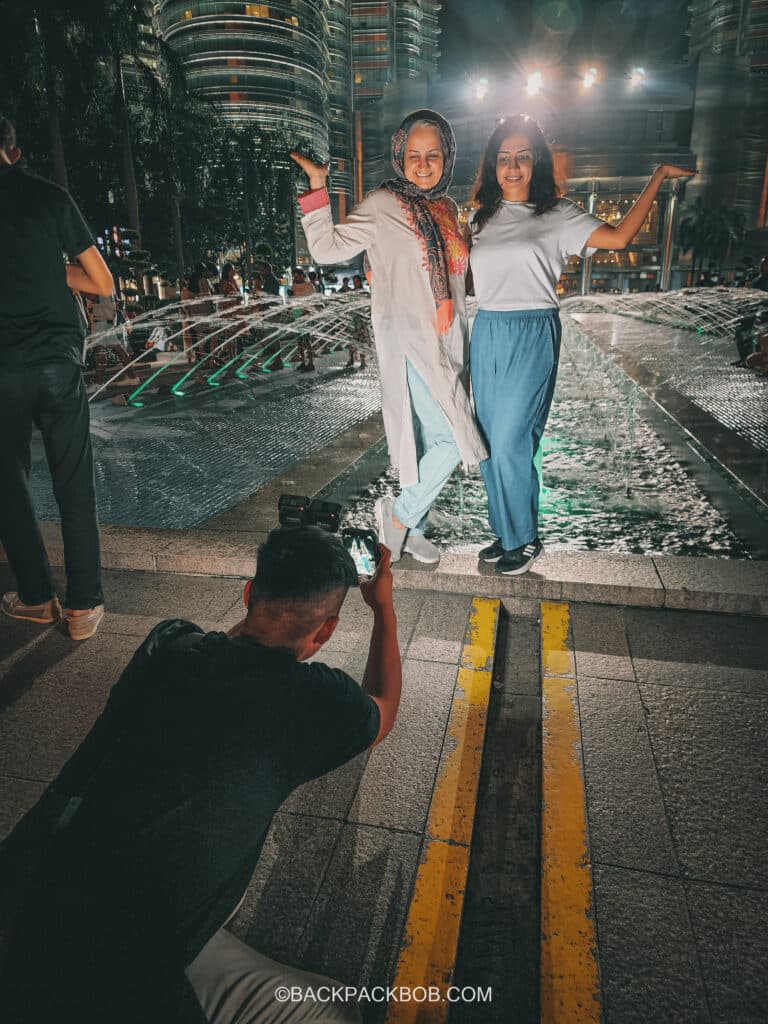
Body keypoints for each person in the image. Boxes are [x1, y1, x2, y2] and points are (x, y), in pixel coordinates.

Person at [0, 526, 401, 1024]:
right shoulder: (315, 701)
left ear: (249, 593)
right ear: (327, 631)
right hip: (113, 980)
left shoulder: (167, 643)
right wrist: (382, 606)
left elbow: (221, 648)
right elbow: (383, 709)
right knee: (341, 1010)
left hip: (28, 888)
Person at [468, 113, 695, 575]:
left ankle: (525, 538)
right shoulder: (480, 218)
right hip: (487, 329)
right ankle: (504, 531)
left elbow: (620, 237)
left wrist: (656, 179)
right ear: (494, 164)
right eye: (504, 158)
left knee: (514, 439)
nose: (512, 167)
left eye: (523, 157)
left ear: (537, 162)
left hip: (532, 331)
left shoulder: (559, 214)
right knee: (488, 441)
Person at [291, 110, 487, 565]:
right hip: (412, 342)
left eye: (433, 155)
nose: (423, 163)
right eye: (414, 154)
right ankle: (396, 516)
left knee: (424, 441)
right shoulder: (382, 204)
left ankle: (412, 525)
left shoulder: (447, 208)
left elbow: (458, 280)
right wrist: (318, 188)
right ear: (399, 155)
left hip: (452, 341)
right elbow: (326, 249)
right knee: (454, 440)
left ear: (447, 158)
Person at [0, 114, 112, 640]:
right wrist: (50, 271)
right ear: (14, 152)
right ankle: (83, 608)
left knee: (8, 484)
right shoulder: (49, 197)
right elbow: (100, 283)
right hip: (57, 360)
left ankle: (36, 597)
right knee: (73, 481)